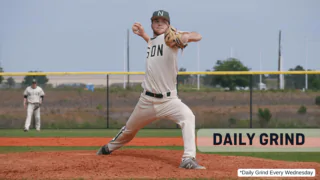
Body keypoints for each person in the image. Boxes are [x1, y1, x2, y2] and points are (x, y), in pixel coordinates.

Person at [97, 10, 205, 169]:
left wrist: (184, 37)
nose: (159, 23)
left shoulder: (172, 37)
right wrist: (143, 35)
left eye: (163, 20)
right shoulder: (152, 41)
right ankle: (108, 148)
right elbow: (153, 42)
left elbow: (198, 35)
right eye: (156, 20)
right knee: (129, 131)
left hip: (169, 101)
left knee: (188, 117)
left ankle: (188, 159)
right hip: (146, 101)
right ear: (152, 24)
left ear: (168, 24)